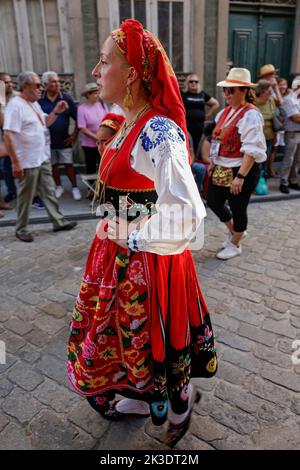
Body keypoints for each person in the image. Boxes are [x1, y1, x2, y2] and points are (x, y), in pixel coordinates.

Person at [67, 19, 217, 447]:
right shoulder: (128, 122)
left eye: (104, 61)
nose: (96, 72)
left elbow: (187, 212)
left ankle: (179, 408)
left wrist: (134, 235)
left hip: (148, 261)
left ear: (131, 72)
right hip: (120, 254)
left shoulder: (157, 130)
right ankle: (139, 394)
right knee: (123, 332)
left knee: (156, 335)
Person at [3, 71, 77, 242]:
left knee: (49, 191)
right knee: (26, 196)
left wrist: (56, 112)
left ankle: (58, 221)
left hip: (42, 157)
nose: (41, 89)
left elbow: (46, 122)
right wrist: (15, 163)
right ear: (25, 86)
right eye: (37, 85)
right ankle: (21, 228)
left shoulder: (33, 104)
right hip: (27, 161)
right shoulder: (15, 105)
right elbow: (8, 135)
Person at [206, 68, 266, 260]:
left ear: (244, 91)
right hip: (222, 165)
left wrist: (240, 176)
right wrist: (212, 161)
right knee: (214, 201)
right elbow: (216, 139)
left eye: (231, 90)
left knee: (238, 206)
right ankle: (236, 232)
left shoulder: (251, 115)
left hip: (241, 168)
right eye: (225, 90)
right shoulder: (224, 113)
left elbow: (252, 149)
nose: (227, 94)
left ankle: (235, 243)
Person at [39, 71, 82, 201]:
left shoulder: (66, 97)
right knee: (54, 165)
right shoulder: (40, 99)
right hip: (47, 141)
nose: (57, 84)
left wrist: (74, 135)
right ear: (45, 85)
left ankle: (75, 187)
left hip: (64, 140)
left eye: (58, 81)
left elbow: (78, 118)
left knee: (69, 164)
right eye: (53, 82)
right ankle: (59, 186)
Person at [182, 74, 219, 153]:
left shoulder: (202, 94)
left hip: (199, 126)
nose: (193, 83)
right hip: (187, 125)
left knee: (196, 145)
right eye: (191, 81)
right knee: (186, 145)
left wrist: (208, 115)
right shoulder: (183, 95)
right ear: (187, 83)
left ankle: (193, 162)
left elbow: (216, 103)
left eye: (196, 82)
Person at [78, 83, 108, 174]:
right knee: (91, 167)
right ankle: (90, 187)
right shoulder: (82, 109)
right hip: (89, 145)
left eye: (98, 92)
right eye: (94, 93)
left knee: (103, 166)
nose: (97, 95)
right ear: (88, 95)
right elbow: (82, 128)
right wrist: (97, 138)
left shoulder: (103, 105)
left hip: (103, 143)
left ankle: (102, 187)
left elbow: (108, 120)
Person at [280, 78, 300, 193]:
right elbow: (295, 117)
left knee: (297, 160)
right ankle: (284, 182)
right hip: (292, 133)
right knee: (289, 159)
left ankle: (293, 180)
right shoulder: (288, 99)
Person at [0, 72, 18, 204]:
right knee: (6, 168)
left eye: (10, 81)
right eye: (5, 82)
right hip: (5, 140)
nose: (9, 84)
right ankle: (12, 192)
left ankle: (34, 195)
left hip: (20, 138)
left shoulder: (18, 97)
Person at [254, 80, 277, 177]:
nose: (271, 94)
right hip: (256, 137)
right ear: (262, 91)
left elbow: (273, 116)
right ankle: (255, 180)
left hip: (269, 135)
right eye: (269, 91)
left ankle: (262, 178)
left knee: (265, 159)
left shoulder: (271, 101)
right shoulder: (254, 103)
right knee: (256, 160)